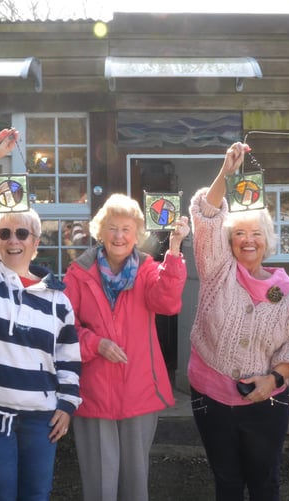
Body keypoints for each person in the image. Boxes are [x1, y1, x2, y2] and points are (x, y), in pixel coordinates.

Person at [0, 128, 82, 501]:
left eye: (21, 233)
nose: (12, 240)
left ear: (35, 241)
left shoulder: (58, 298)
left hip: (39, 420)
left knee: (36, 497)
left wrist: (67, 405)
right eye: (4, 233)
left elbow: (68, 357)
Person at [188, 142, 289, 501]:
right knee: (227, 483)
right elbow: (207, 215)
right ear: (228, 242)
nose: (249, 240)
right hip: (212, 398)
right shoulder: (218, 271)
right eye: (240, 233)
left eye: (256, 233)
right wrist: (225, 173)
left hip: (267, 401)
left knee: (265, 484)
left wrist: (274, 377)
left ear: (267, 240)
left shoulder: (284, 290)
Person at [63, 193, 189, 501]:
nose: (119, 236)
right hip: (94, 392)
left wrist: (174, 251)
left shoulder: (148, 269)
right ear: (101, 231)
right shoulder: (78, 273)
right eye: (112, 228)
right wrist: (96, 344)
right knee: (99, 485)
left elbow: (168, 303)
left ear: (137, 234)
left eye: (126, 229)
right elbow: (64, 331)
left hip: (139, 388)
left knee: (135, 484)